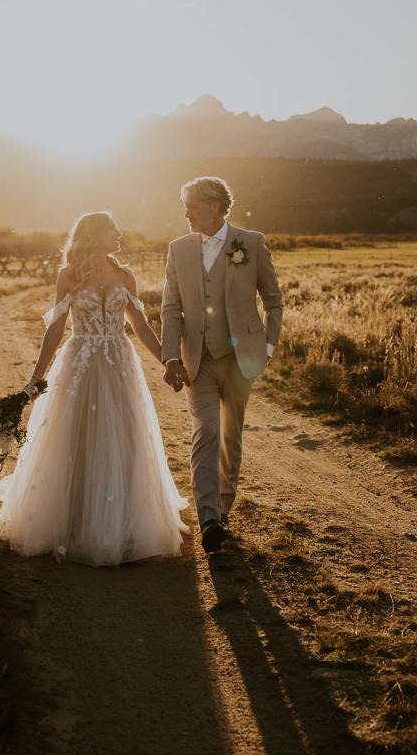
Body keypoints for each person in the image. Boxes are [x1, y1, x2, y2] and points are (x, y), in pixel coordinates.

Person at [0, 211, 188, 565]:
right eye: (113, 229)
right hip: (79, 361)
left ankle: (123, 521)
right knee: (75, 436)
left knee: (124, 435)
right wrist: (34, 380)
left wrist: (168, 361)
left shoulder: (125, 275)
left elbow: (140, 324)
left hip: (119, 362)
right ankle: (76, 519)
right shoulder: (67, 276)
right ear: (96, 234)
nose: (119, 234)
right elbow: (55, 329)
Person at [161, 176, 284, 553]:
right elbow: (170, 307)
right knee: (205, 435)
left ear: (214, 205)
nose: (186, 213)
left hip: (240, 358)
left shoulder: (251, 242)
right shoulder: (178, 249)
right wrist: (170, 355)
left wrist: (267, 347)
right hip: (197, 359)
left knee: (232, 436)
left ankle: (224, 507)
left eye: (192, 206)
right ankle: (209, 518)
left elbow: (274, 299)